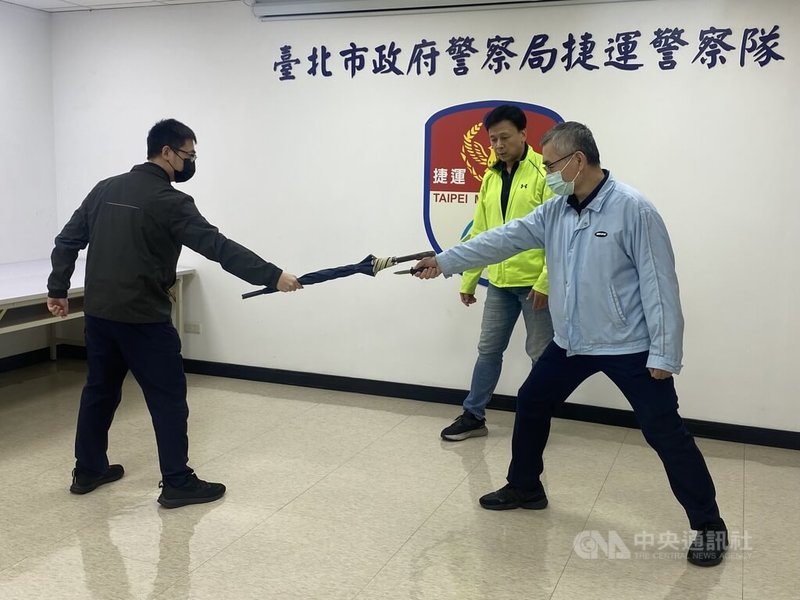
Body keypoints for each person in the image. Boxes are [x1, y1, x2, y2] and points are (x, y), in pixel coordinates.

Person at [413, 121, 728, 567]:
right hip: (573, 340)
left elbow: (660, 286)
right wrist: (445, 261)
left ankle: (709, 525)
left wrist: (664, 353)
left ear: (578, 161)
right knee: (532, 399)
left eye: (550, 165)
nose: (546, 175)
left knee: (664, 432)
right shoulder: (556, 210)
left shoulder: (634, 210)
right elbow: (501, 239)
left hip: (629, 344)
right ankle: (525, 485)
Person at [46, 118, 303, 508]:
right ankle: (178, 481)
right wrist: (273, 276)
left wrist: (58, 289)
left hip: (99, 315)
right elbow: (218, 246)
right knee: (167, 399)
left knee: (99, 392)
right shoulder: (170, 201)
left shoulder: (105, 189)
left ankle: (88, 469)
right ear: (167, 152)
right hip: (144, 319)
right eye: (189, 154)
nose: (191, 162)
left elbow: (67, 242)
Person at [440, 104, 554, 442]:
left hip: (534, 285)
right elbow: (481, 233)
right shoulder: (490, 177)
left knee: (540, 357)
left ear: (523, 134)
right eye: (493, 140)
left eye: (505, 137)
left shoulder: (542, 172)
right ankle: (473, 415)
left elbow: (555, 233)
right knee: (488, 350)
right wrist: (469, 279)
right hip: (501, 285)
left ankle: (536, 420)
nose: (499, 145)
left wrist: (546, 282)